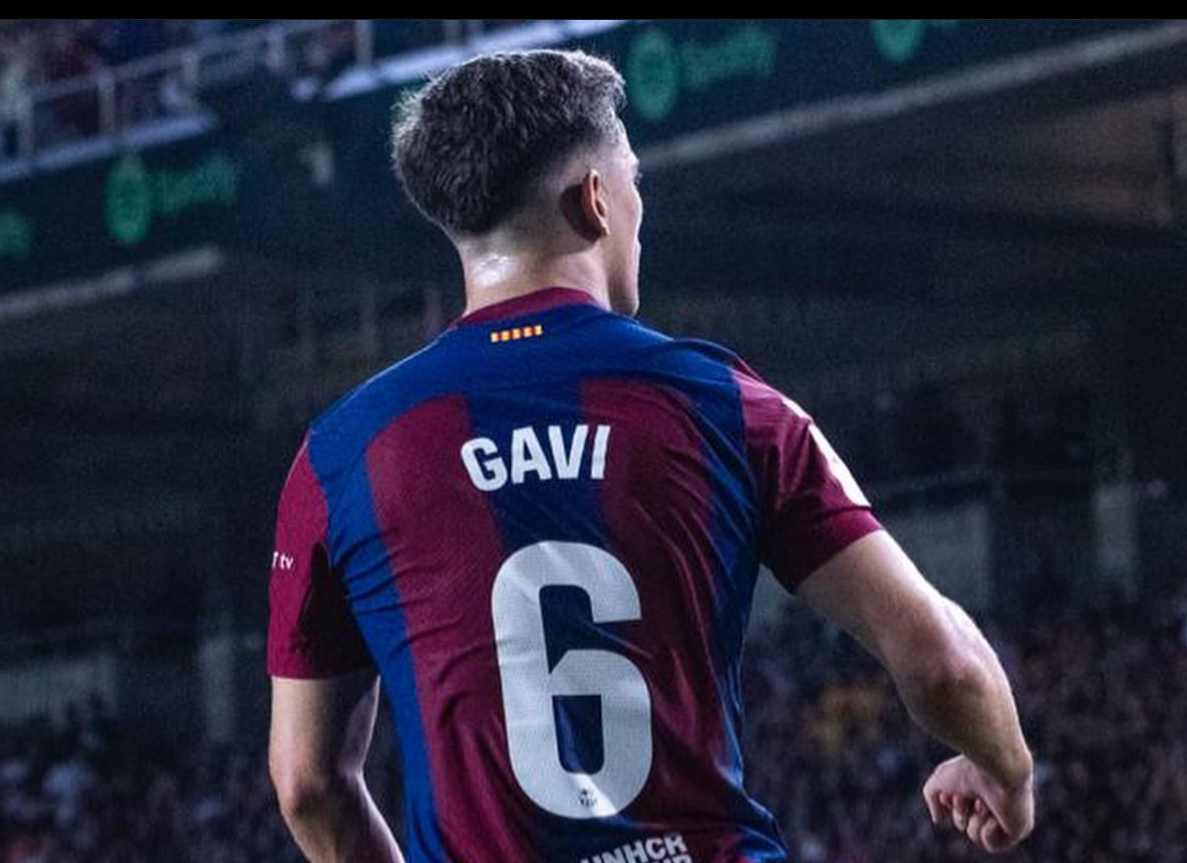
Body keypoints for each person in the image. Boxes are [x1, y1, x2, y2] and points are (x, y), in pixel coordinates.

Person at [266, 48, 1035, 863]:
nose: (640, 209)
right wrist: (1007, 769)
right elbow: (942, 663)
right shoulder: (727, 404)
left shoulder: (340, 456)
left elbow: (308, 785)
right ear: (594, 200)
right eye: (633, 180)